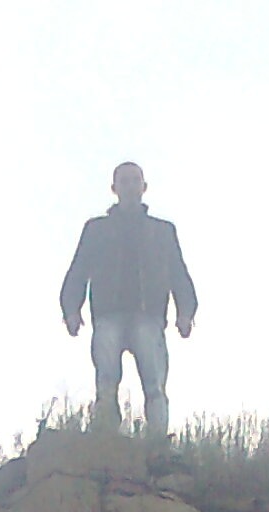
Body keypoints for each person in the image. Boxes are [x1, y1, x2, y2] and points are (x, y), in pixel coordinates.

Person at [60, 162, 197, 433]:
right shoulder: (96, 230)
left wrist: (186, 312)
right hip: (108, 314)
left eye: (135, 180)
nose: (131, 186)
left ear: (144, 186)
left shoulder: (162, 231)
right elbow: (79, 269)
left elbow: (178, 272)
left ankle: (158, 440)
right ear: (114, 188)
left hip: (149, 315)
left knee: (154, 384)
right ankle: (106, 436)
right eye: (124, 181)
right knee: (106, 382)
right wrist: (71, 310)